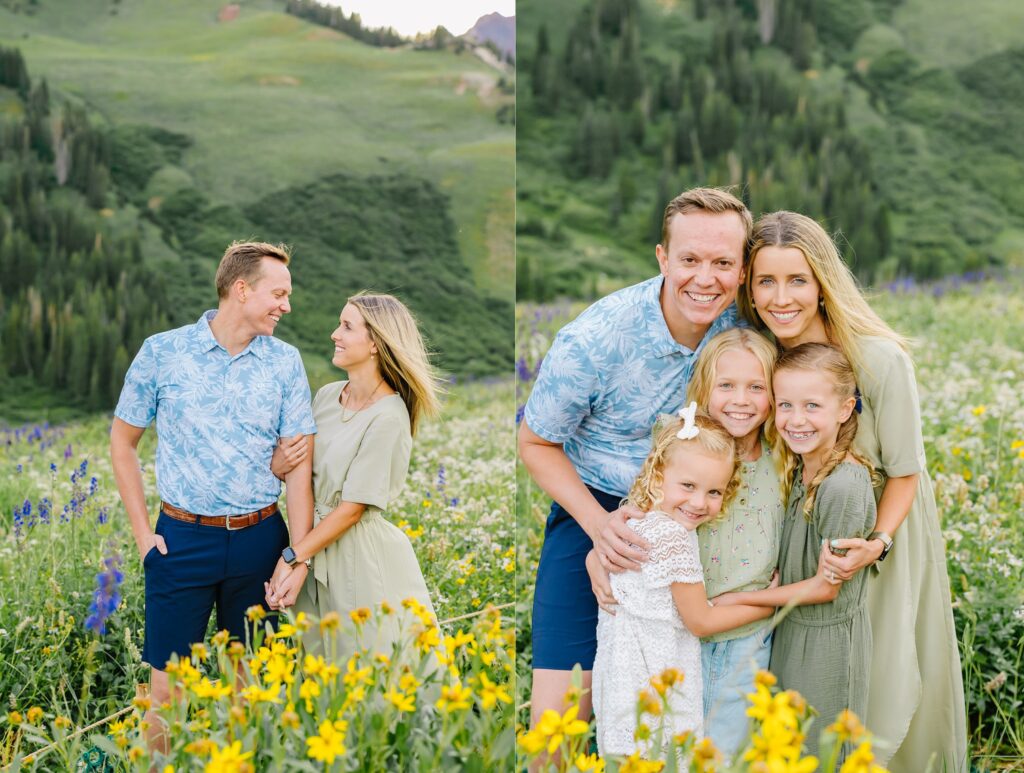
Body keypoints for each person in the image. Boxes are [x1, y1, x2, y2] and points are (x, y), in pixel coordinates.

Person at [739, 211, 968, 771]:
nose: (781, 297)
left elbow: (907, 471)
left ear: (822, 284)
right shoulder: (765, 356)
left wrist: (879, 543)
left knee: (884, 673)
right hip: (803, 536)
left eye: (797, 280)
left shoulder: (879, 359)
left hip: (879, 535)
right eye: (765, 281)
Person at [519, 187, 751, 729]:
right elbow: (535, 441)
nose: (705, 278)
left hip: (710, 510)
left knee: (694, 712)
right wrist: (599, 529)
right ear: (662, 257)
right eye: (689, 259)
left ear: (742, 269)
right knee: (559, 723)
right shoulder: (593, 341)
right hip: (601, 510)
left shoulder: (751, 320)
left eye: (723, 263)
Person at [110, 241, 316, 749]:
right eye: (279, 293)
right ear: (241, 289)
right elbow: (122, 442)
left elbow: (300, 465)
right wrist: (143, 538)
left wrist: (298, 556)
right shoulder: (162, 352)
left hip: (261, 541)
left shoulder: (285, 362)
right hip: (180, 542)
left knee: (251, 689)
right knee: (167, 693)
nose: (286, 306)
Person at [587, 327, 785, 760]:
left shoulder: (781, 458)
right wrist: (594, 554)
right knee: (675, 751)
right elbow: (637, 518)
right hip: (680, 635)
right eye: (727, 385)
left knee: (725, 753)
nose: (741, 399)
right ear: (704, 389)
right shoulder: (678, 443)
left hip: (743, 633)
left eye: (757, 387)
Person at [713, 343, 877, 761]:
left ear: (845, 410)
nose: (796, 419)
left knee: (820, 752)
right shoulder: (801, 466)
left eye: (812, 406)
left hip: (826, 643)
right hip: (789, 633)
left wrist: (744, 597)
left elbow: (826, 589)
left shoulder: (843, 486)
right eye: (785, 404)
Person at [264, 292, 443, 663]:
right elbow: (298, 473)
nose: (334, 334)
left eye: (346, 326)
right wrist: (279, 465)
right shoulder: (328, 396)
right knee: (317, 668)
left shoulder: (389, 416)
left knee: (363, 666)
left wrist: (293, 557)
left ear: (375, 343)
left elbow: (352, 510)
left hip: (357, 555)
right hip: (312, 541)